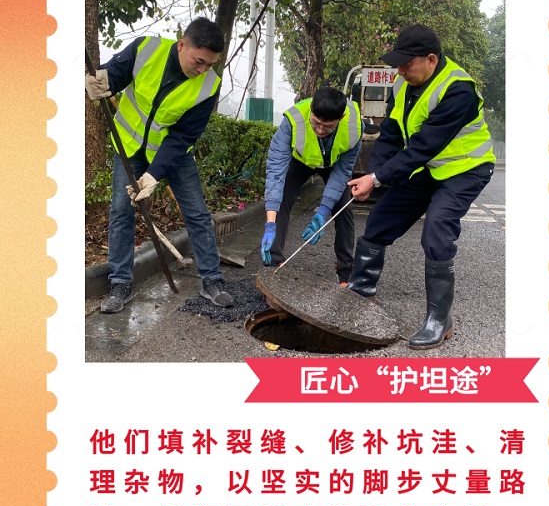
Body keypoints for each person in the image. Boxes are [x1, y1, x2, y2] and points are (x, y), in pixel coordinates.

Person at [347, 24, 495, 349]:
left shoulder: (458, 90)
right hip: (428, 168)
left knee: (437, 228)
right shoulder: (404, 84)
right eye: (398, 64)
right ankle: (361, 290)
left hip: (465, 170)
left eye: (406, 64)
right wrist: (373, 176)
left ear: (431, 59)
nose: (400, 71)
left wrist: (378, 178)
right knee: (381, 218)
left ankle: (439, 320)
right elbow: (391, 135)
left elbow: (422, 147)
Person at [85, 17, 234, 313]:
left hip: (173, 155)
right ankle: (120, 283)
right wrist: (100, 83)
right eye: (199, 61)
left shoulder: (209, 86)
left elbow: (183, 136)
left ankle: (212, 280)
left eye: (210, 65)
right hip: (129, 147)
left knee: (197, 213)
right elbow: (115, 74)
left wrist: (153, 175)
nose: (203, 70)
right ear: (182, 45)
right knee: (121, 211)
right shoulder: (146, 49)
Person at [261, 87, 363, 284]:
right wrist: (270, 223)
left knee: (344, 209)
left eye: (328, 127)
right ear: (311, 111)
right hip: (301, 160)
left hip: (334, 164)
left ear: (341, 117)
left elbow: (343, 172)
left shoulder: (354, 125)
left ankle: (345, 268)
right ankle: (274, 261)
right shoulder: (292, 120)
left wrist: (322, 213)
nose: (320, 130)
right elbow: (275, 172)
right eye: (316, 123)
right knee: (282, 199)